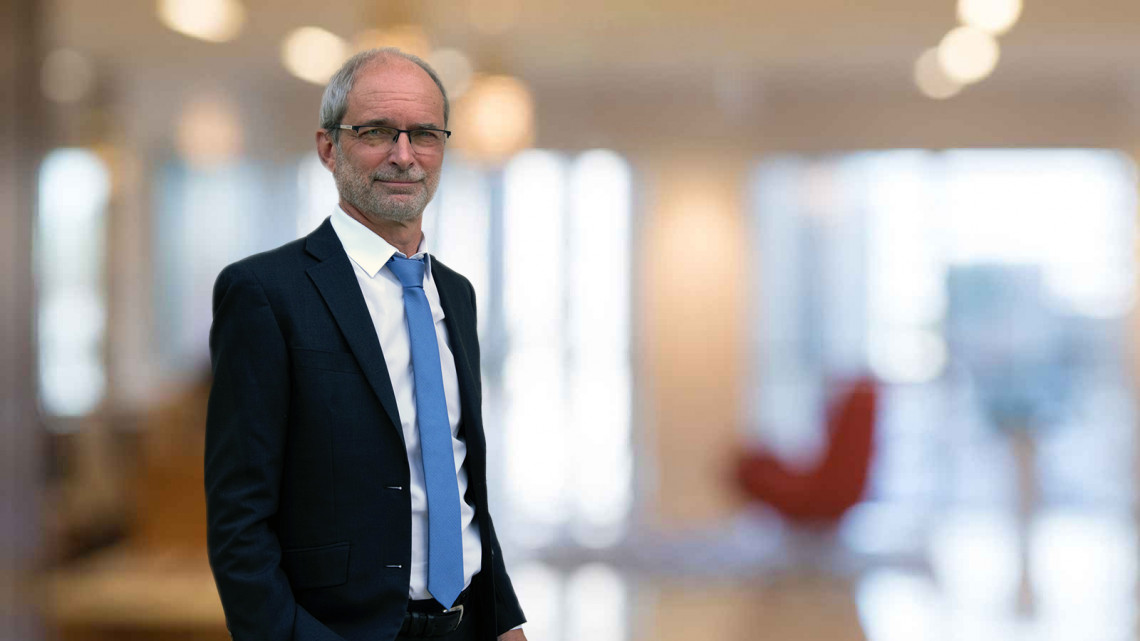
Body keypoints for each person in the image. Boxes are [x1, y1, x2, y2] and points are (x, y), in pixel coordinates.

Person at [205, 48, 527, 641]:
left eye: (424, 134)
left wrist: (505, 620)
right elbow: (237, 523)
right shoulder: (265, 293)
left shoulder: (456, 294)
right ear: (329, 148)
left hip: (467, 626)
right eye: (376, 132)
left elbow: (461, 485)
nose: (404, 156)